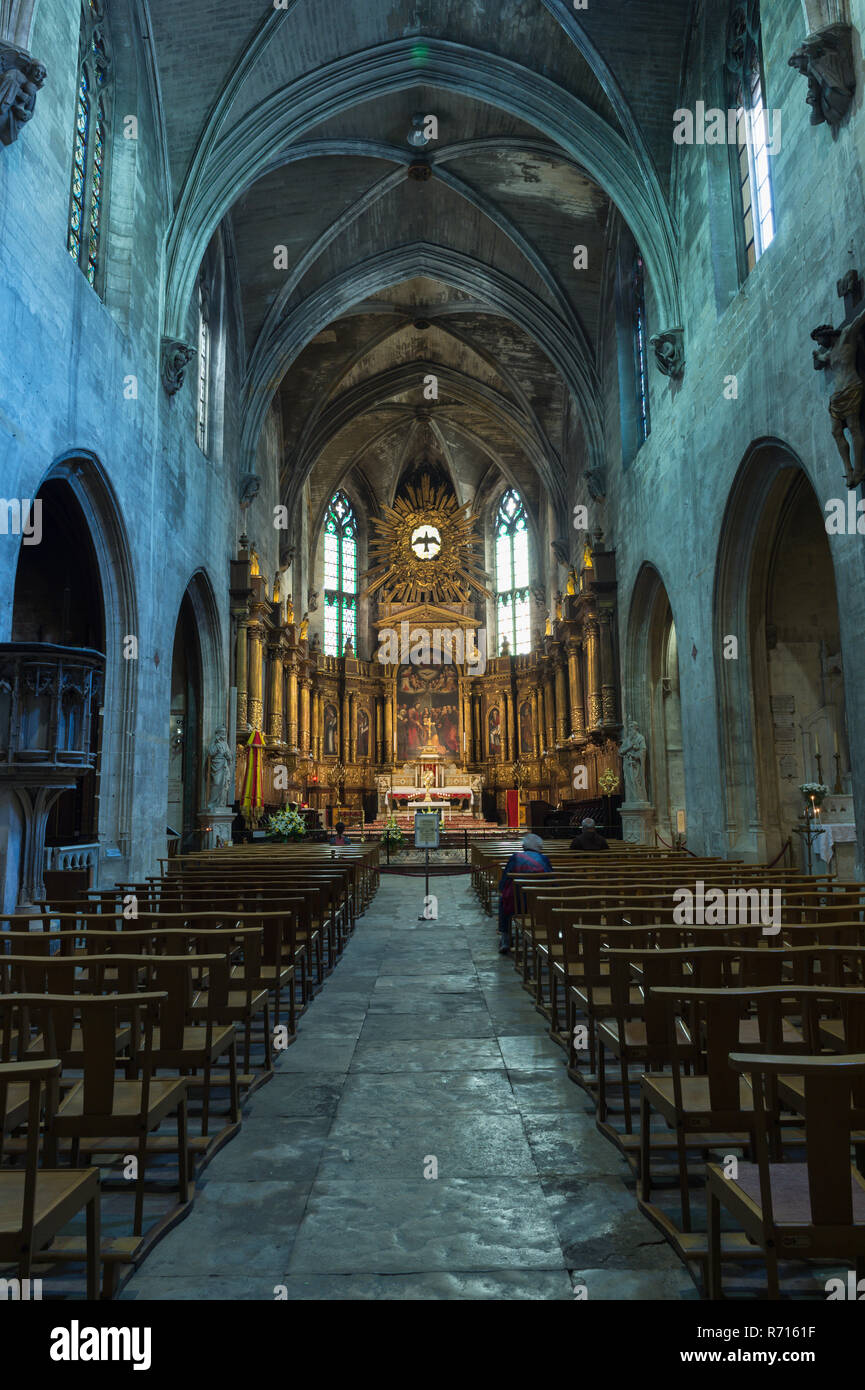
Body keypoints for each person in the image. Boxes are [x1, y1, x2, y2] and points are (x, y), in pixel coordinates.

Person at [497, 833, 552, 954]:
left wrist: (501, 889)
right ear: (540, 848)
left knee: (503, 901)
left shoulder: (516, 857)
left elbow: (505, 880)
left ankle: (505, 937)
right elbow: (552, 881)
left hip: (517, 903)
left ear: (523, 846)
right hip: (540, 903)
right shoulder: (544, 859)